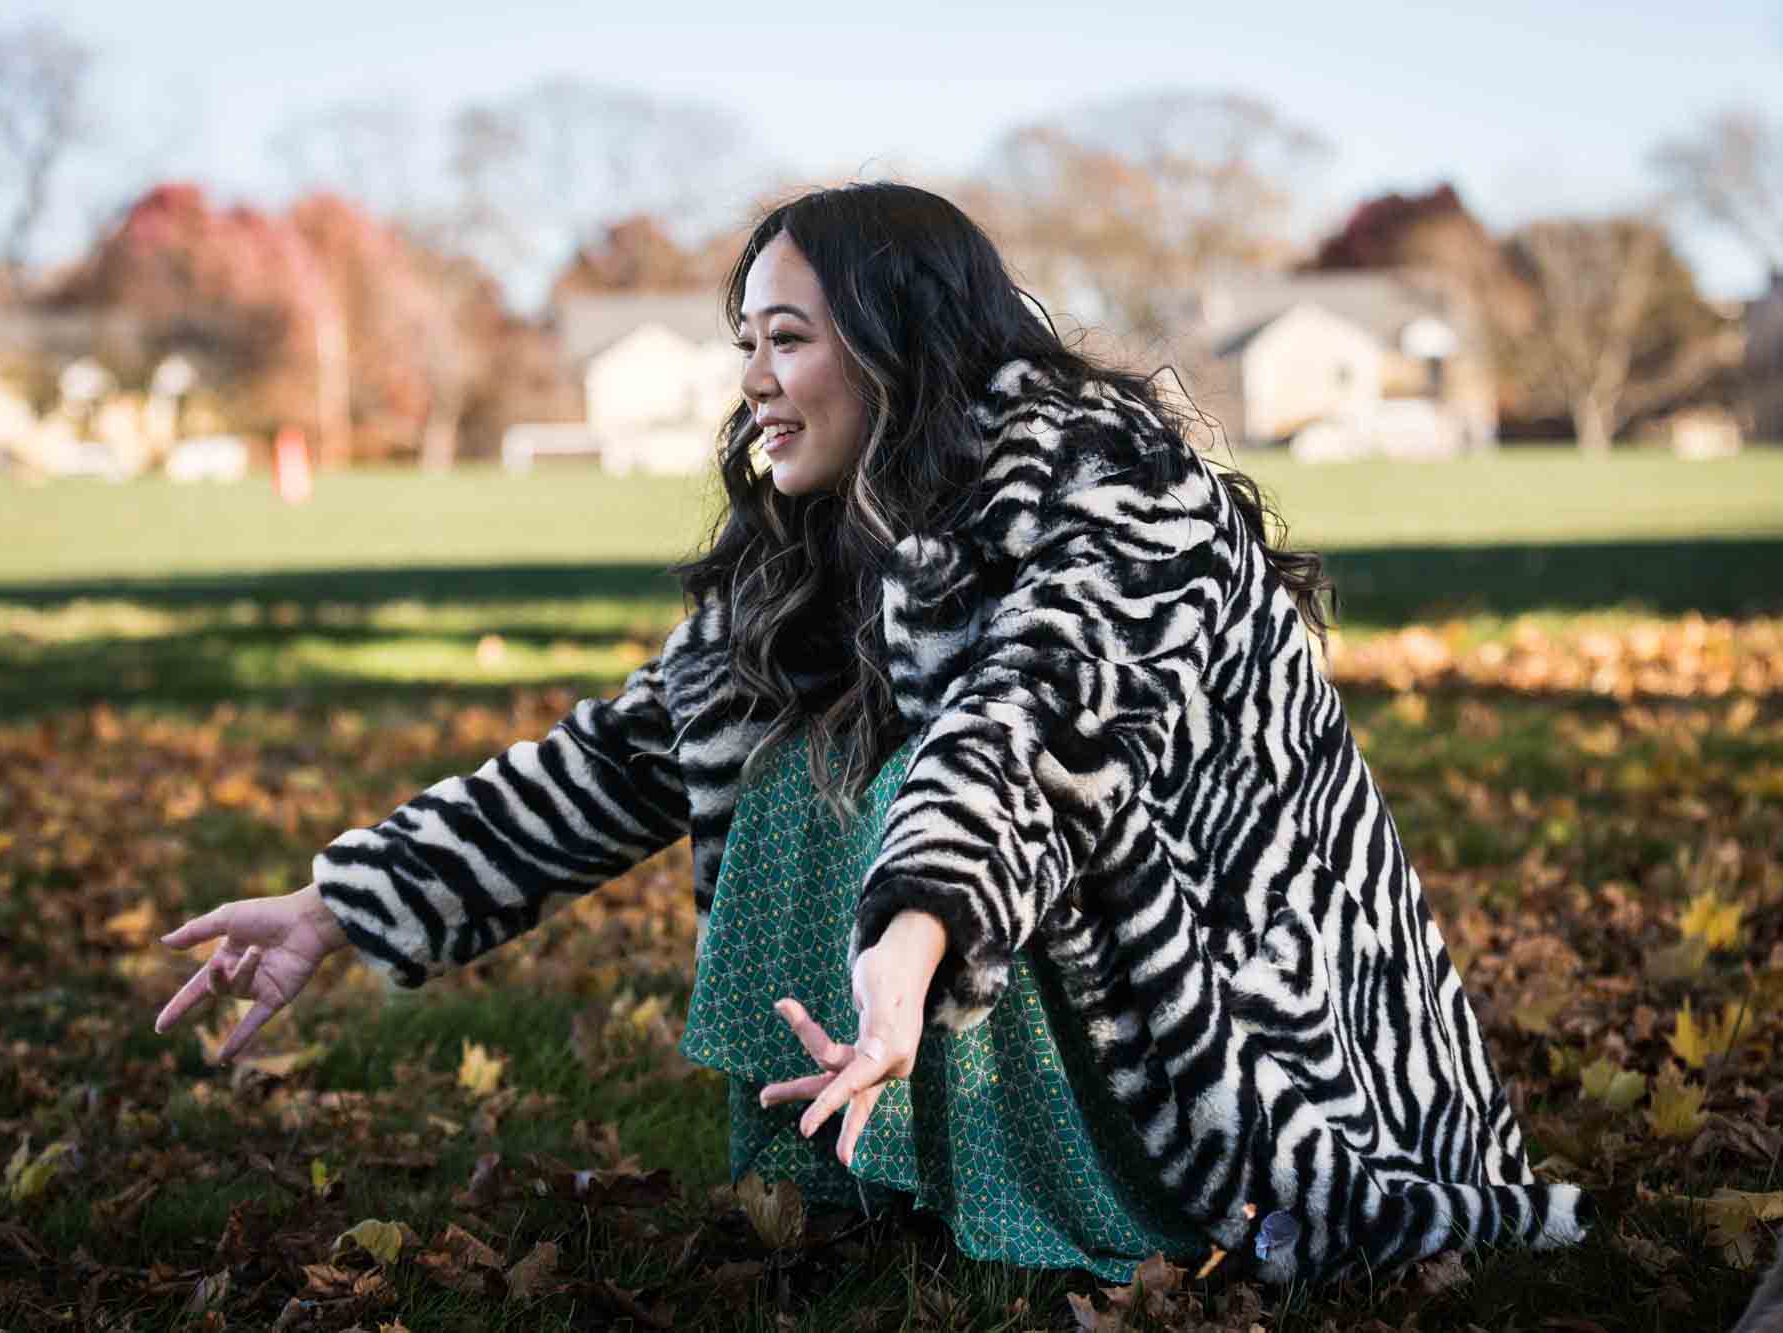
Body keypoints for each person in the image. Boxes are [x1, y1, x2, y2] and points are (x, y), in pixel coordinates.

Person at [155, 182, 1589, 1284]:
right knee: (783, 758)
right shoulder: (817, 540)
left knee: (888, 778)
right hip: (972, 953)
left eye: (788, 339)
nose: (755, 381)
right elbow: (629, 753)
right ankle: (856, 1183)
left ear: (899, 344)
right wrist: (342, 903)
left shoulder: (1112, 479)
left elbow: (1029, 725)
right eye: (745, 345)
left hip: (1228, 1039)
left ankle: (1052, 1214)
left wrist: (907, 946)